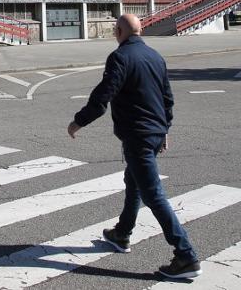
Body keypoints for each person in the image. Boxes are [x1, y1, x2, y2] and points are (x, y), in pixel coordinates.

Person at [67, 14, 201, 281]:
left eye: (115, 30)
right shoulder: (155, 56)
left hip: (138, 136)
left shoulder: (120, 57)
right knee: (134, 182)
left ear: (118, 31)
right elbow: (167, 99)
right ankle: (122, 233)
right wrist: (165, 130)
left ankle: (185, 255)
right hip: (154, 133)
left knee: (153, 195)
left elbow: (103, 95)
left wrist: (78, 122)